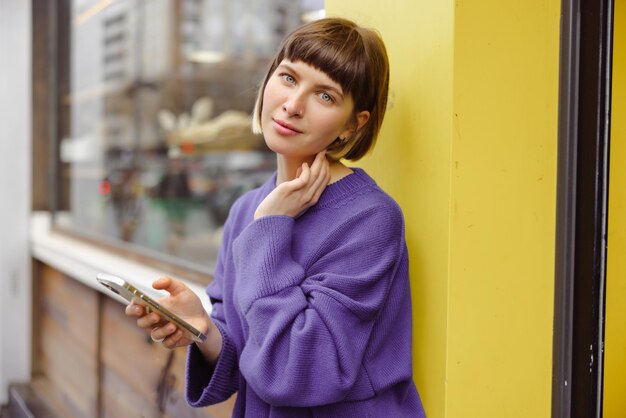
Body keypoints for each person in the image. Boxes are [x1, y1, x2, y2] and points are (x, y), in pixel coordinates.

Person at [126, 17, 426, 417]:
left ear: (353, 124)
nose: (293, 105)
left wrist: (270, 228)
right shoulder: (248, 210)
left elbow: (293, 371)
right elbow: (250, 361)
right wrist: (202, 328)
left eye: (325, 96)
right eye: (288, 78)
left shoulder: (370, 219)